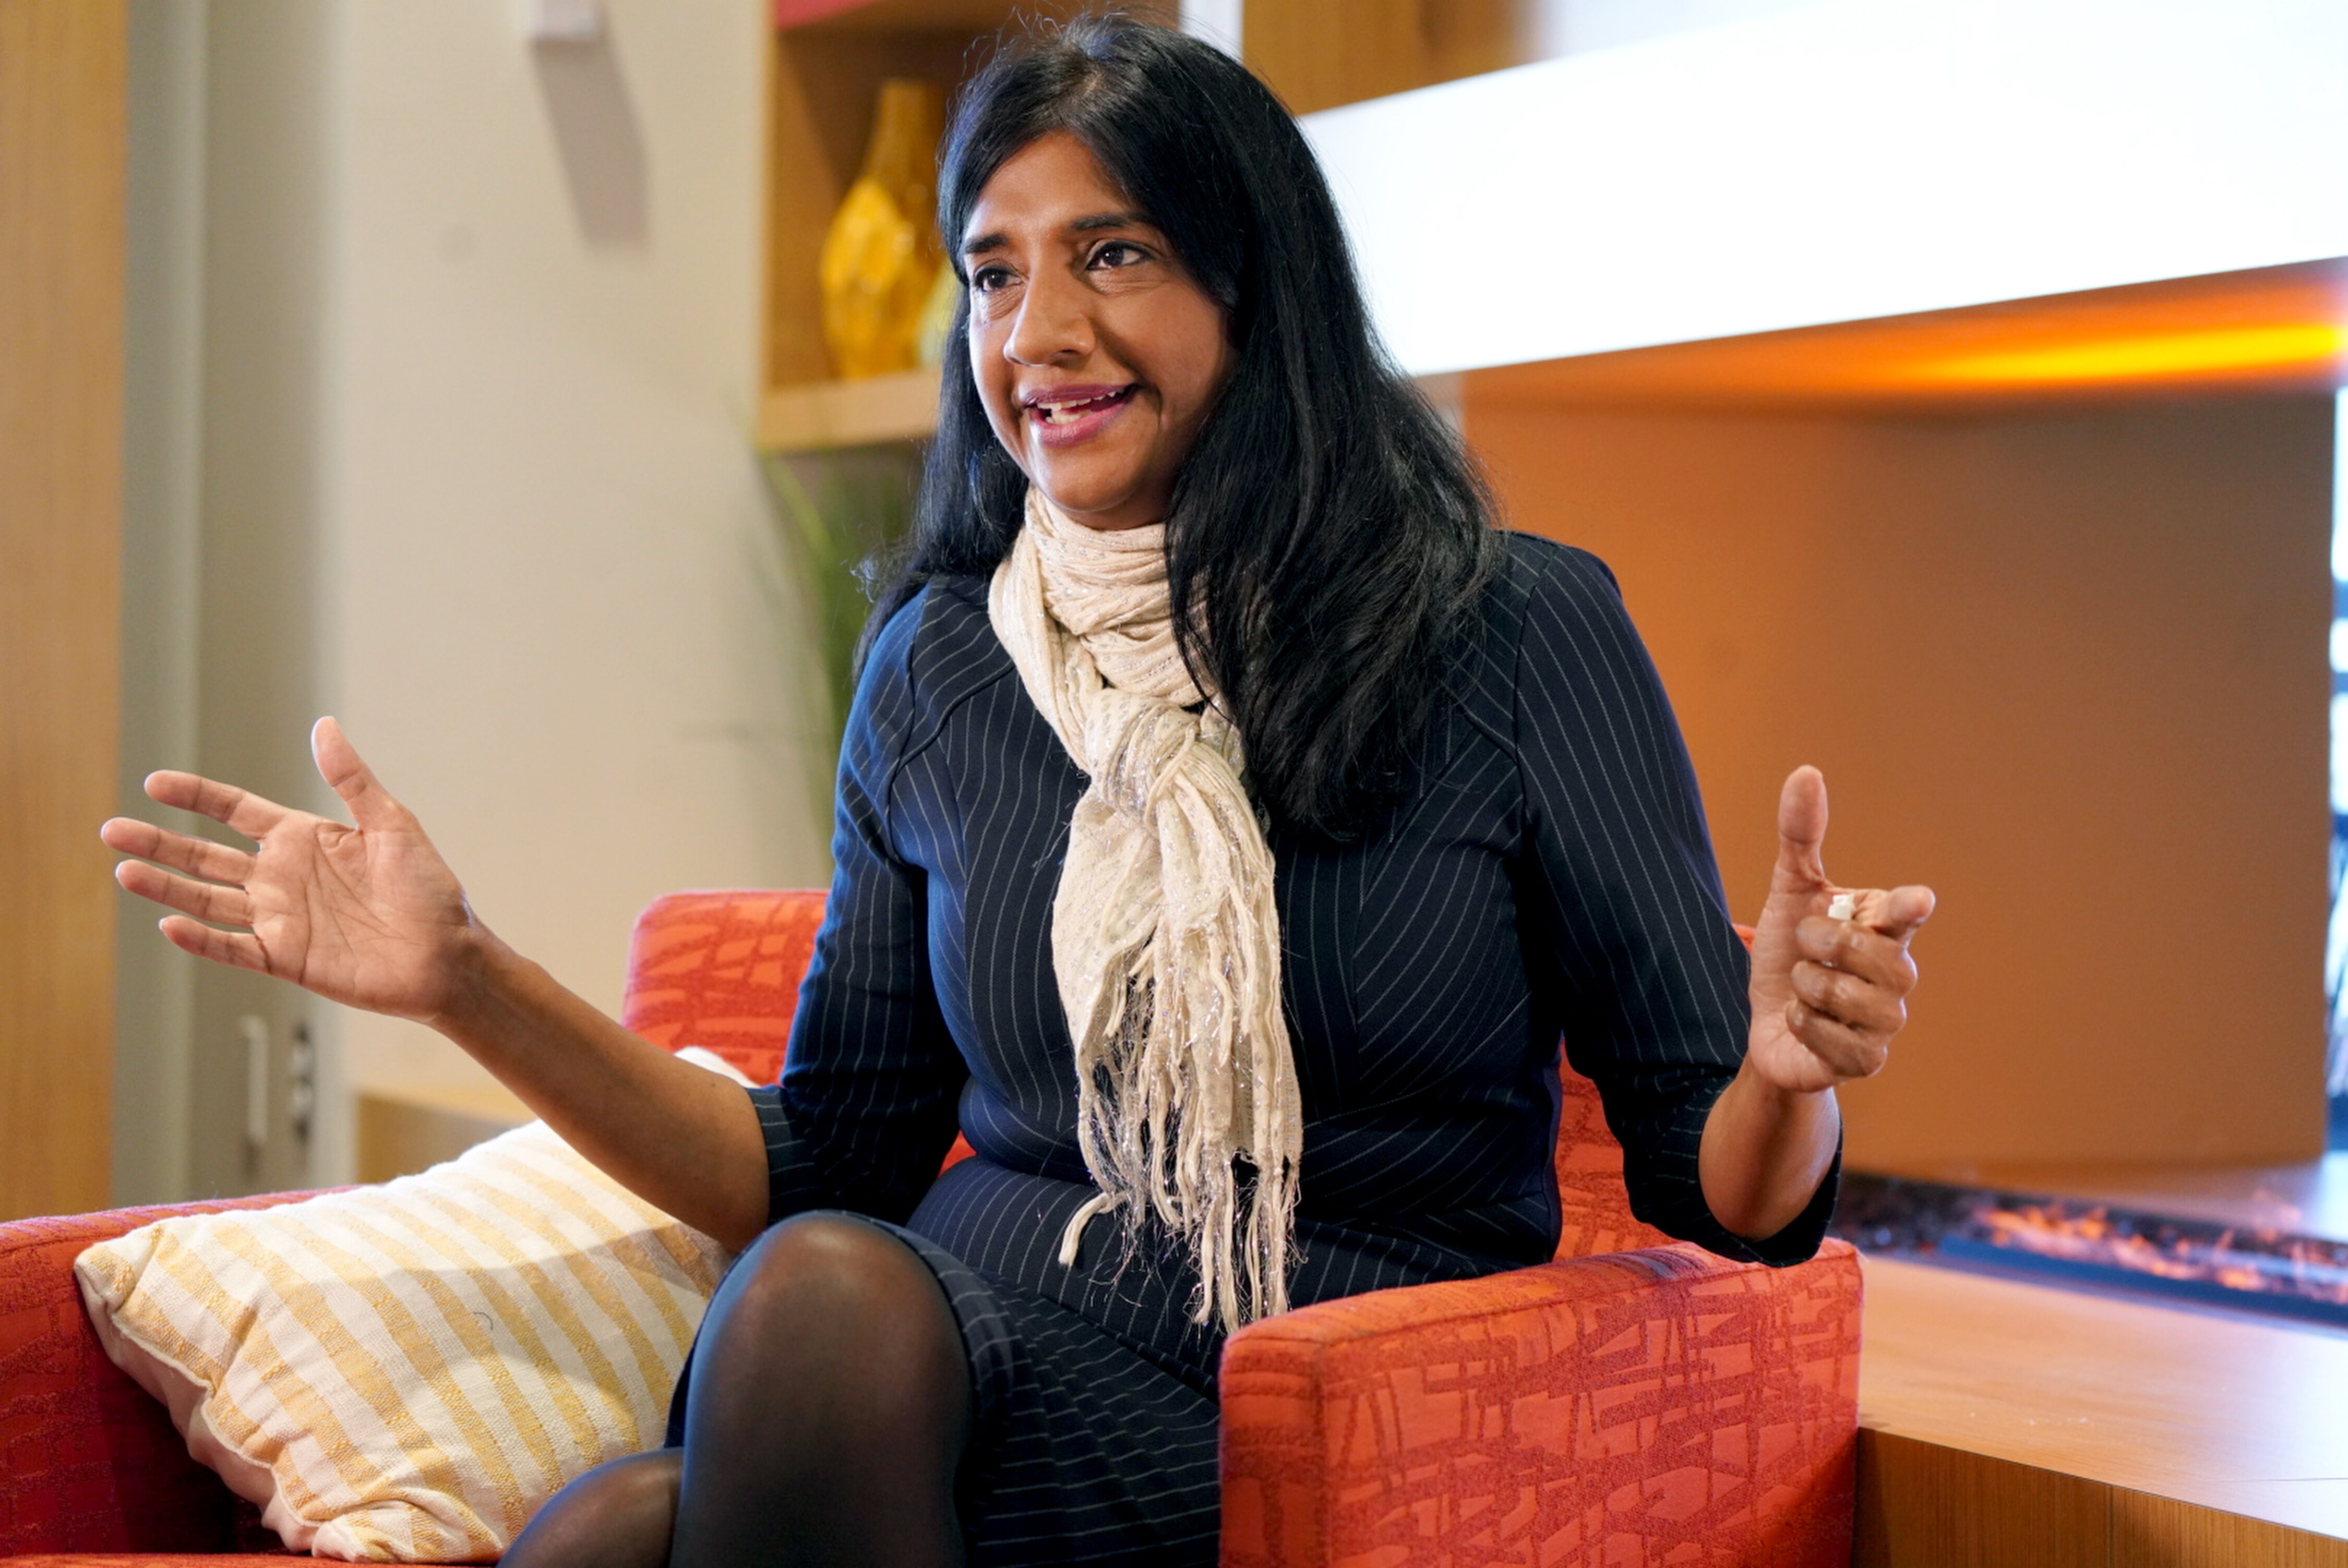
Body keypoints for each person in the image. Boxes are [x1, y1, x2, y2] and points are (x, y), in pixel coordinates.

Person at [101, 16, 1933, 1568]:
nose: (1035, 331)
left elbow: (1728, 1199)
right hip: (956, 1342)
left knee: (670, 1485)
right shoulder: (942, 664)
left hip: (1315, 1405)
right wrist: (464, 980)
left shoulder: (1509, 628)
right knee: (672, 1464)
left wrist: (1783, 1074)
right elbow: (828, 1160)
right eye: (993, 273)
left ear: (1255, 285)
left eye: (1111, 255)